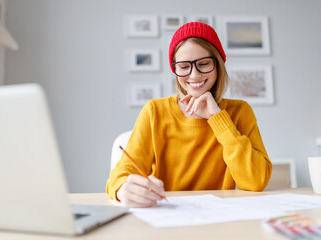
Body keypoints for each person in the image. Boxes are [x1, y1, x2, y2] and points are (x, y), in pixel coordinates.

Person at [106, 22, 272, 207]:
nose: (194, 75)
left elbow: (256, 180)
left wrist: (218, 118)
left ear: (218, 65)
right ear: (175, 69)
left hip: (219, 220)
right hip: (167, 218)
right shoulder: (155, 111)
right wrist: (123, 189)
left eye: (204, 64)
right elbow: (122, 173)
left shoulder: (240, 111)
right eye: (184, 67)